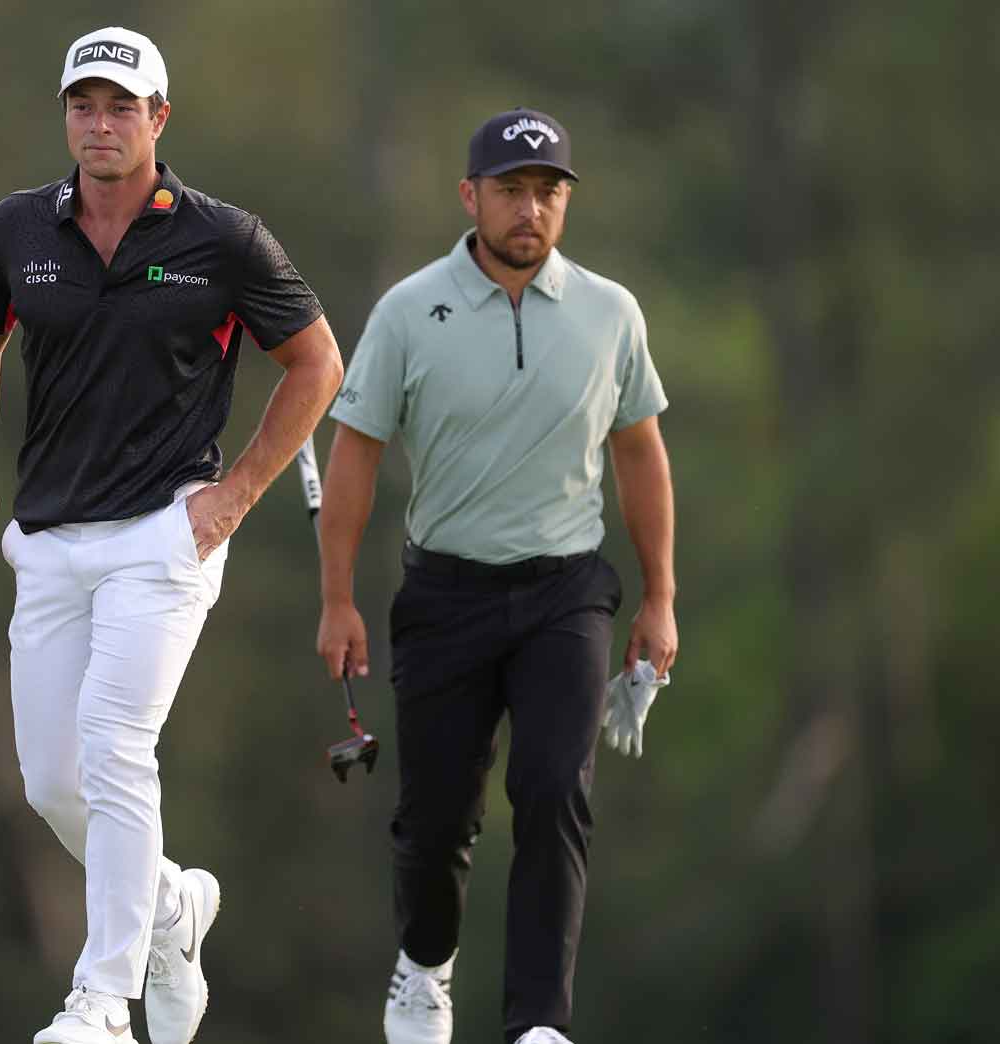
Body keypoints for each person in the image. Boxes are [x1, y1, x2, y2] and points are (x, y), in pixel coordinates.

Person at [0, 26, 343, 1044]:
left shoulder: (223, 239)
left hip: (166, 535)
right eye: (84, 105)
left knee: (115, 750)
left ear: (159, 119)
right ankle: (167, 908)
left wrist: (238, 492)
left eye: (122, 106)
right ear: (65, 114)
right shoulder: (19, 226)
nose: (100, 123)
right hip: (49, 537)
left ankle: (100, 1001)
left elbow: (316, 363)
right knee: (50, 782)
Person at [313, 108, 678, 1044]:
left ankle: (538, 1024)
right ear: (470, 196)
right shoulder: (407, 310)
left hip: (567, 591)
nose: (531, 210)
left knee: (556, 789)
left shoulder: (610, 312)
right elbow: (353, 455)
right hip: (446, 593)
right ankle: (425, 965)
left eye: (549, 192)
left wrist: (661, 597)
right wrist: (339, 598)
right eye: (511, 191)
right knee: (436, 821)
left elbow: (639, 453)